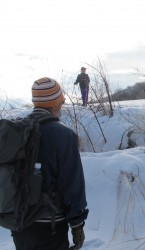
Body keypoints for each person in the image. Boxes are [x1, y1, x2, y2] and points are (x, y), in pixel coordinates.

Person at [11, 77, 89, 250]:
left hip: (19, 222)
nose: (62, 105)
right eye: (61, 100)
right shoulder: (64, 135)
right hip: (50, 226)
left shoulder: (17, 131)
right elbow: (73, 184)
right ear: (56, 103)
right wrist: (77, 225)